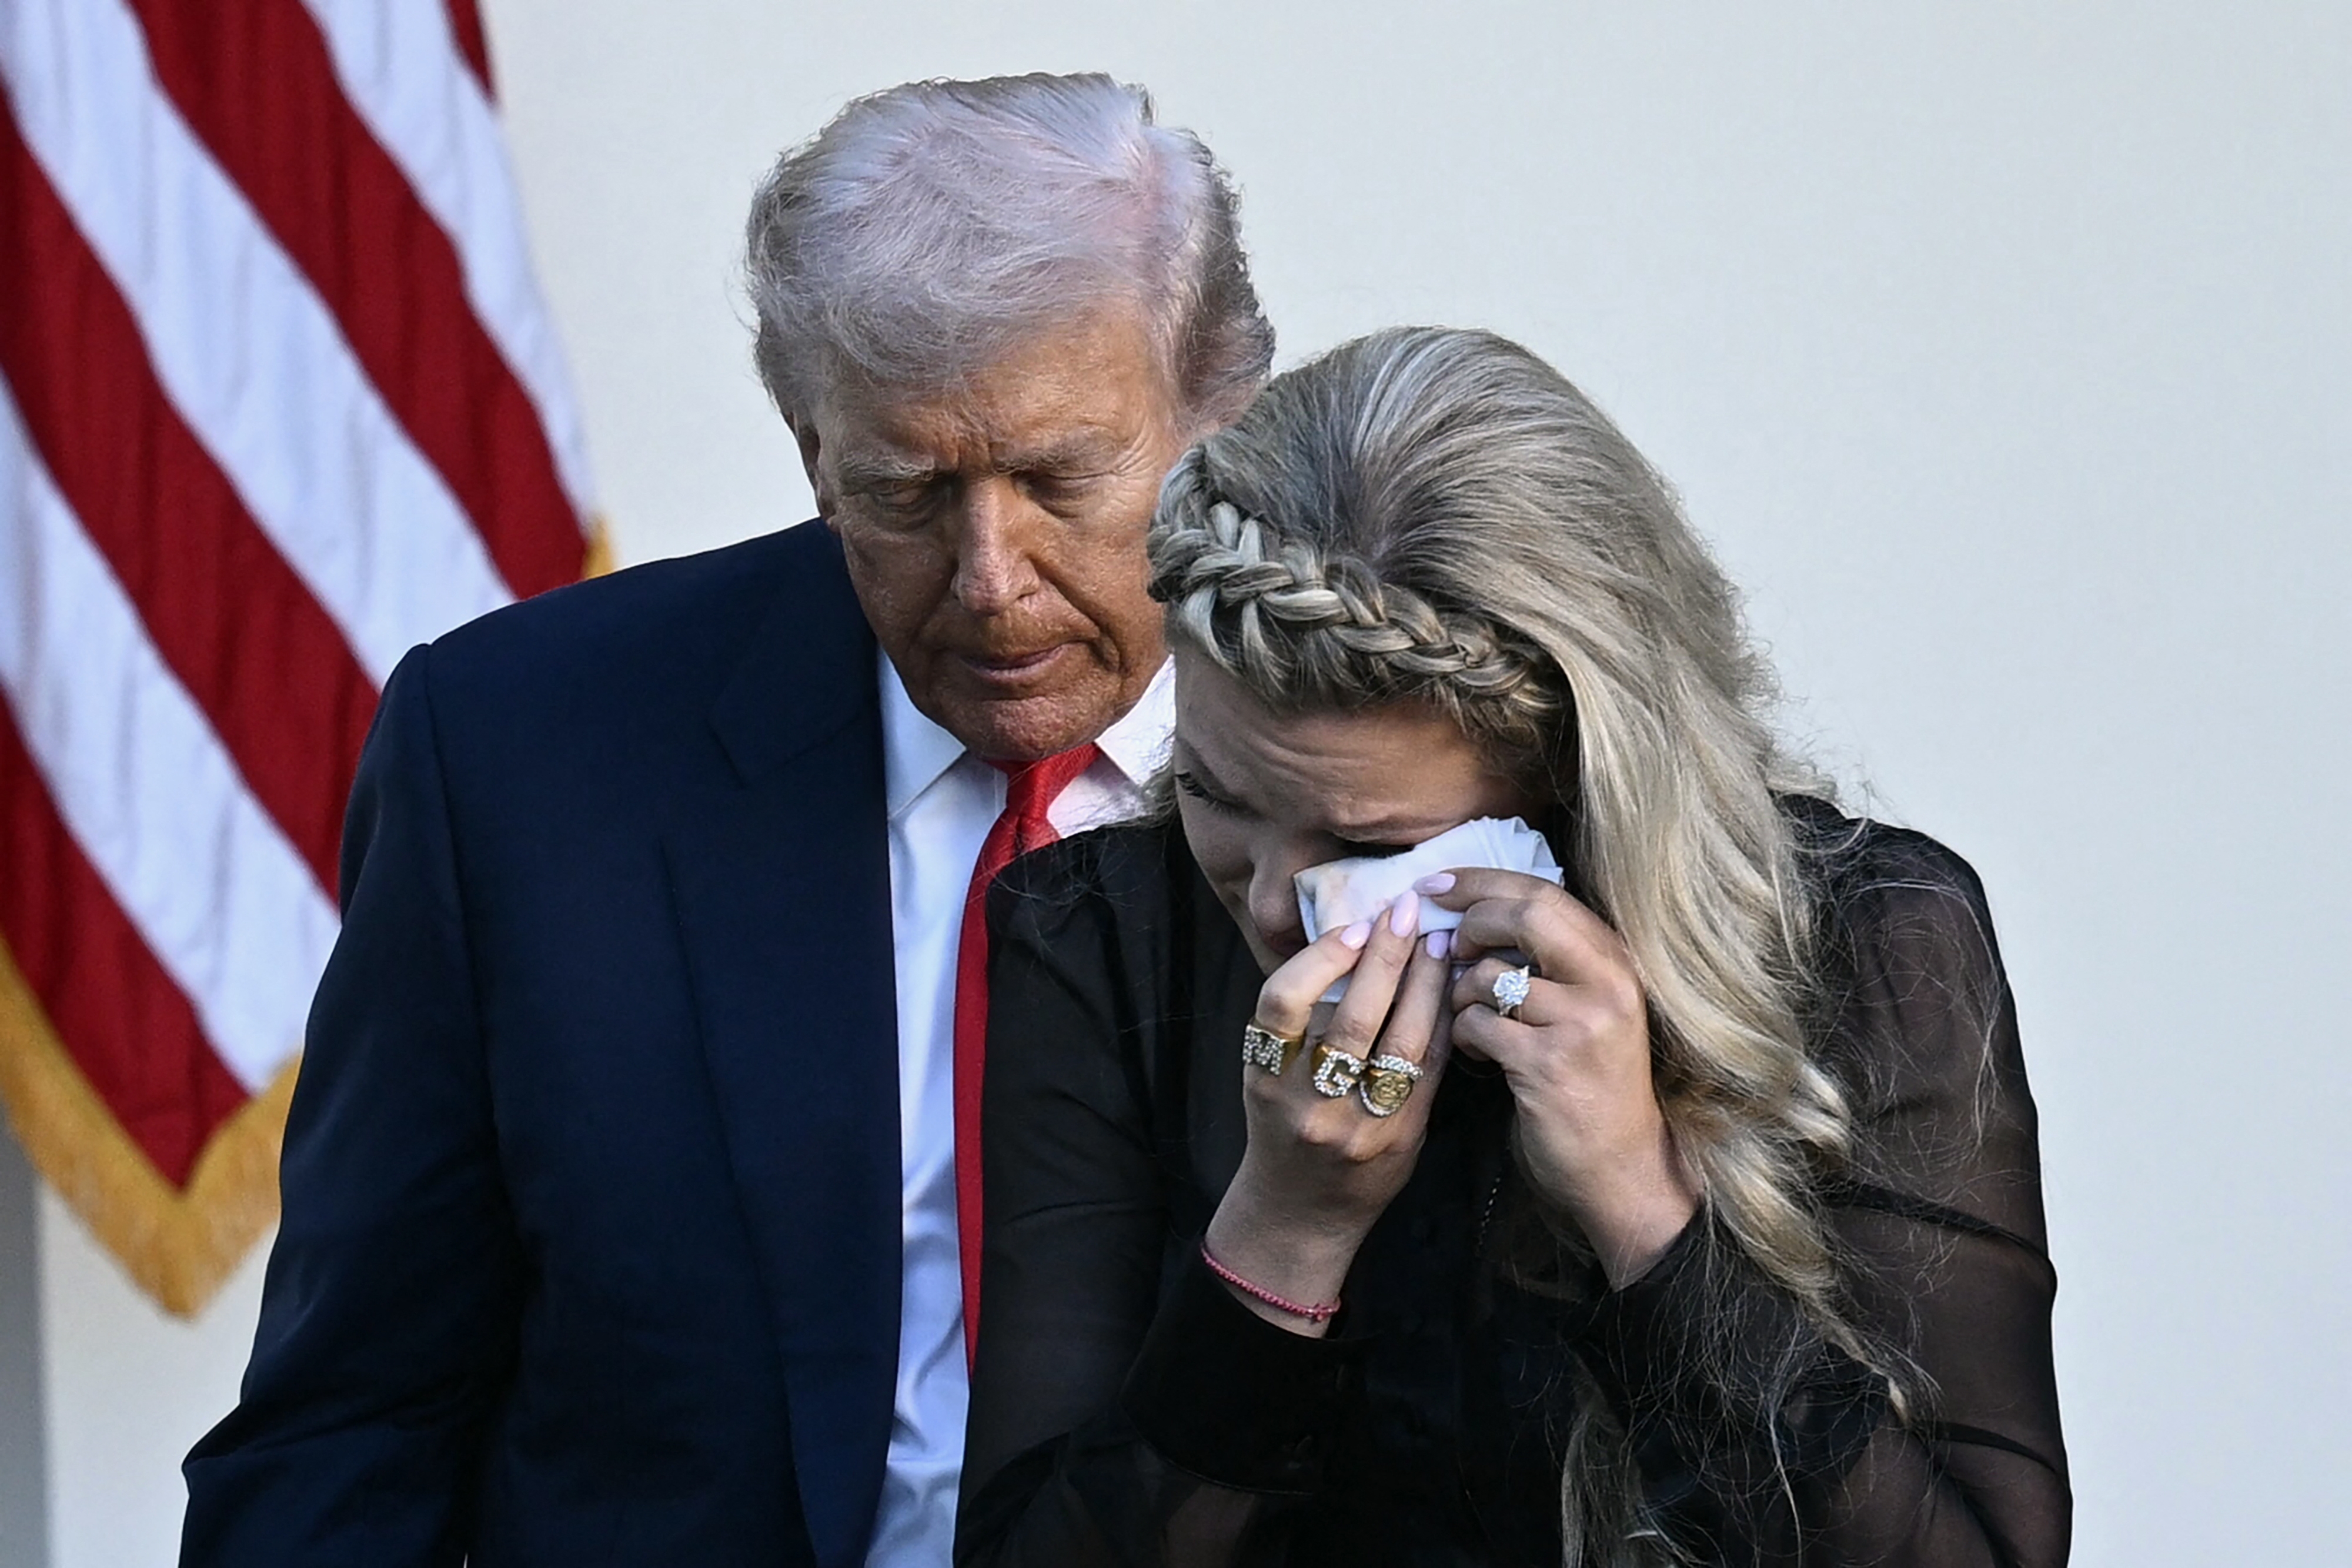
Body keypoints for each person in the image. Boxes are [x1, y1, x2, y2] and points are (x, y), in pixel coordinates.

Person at [179, 73, 1273, 1567]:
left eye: (1056, 478)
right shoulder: (525, 759)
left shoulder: (1398, 739)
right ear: (811, 449)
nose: (989, 579)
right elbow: (350, 1422)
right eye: (905, 492)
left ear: (1214, 419)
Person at [960, 327, 2070, 1566]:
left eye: (1365, 844)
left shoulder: (1872, 944)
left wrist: (1640, 1206)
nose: (1271, 905)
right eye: (1214, 793)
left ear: (1568, 792)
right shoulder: (1099, 937)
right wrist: (1282, 1234)